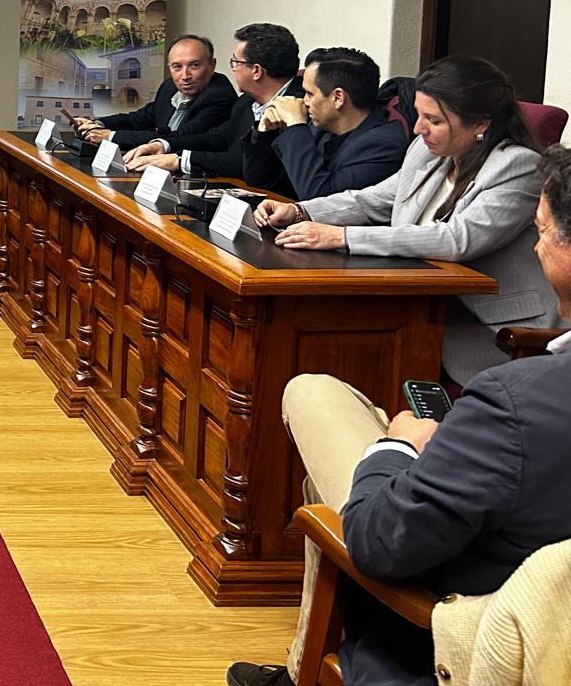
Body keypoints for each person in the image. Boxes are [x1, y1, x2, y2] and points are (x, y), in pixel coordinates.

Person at [226, 145, 571, 686]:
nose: (534, 245)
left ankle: (303, 670)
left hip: (470, 624)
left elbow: (379, 542)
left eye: (543, 232)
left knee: (315, 396)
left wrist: (401, 448)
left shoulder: (513, 401)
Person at [255, 55, 554, 384]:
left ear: (481, 124)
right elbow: (374, 200)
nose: (417, 128)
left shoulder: (518, 166)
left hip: (493, 331)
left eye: (434, 120)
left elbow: (457, 239)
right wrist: (302, 211)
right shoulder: (427, 151)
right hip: (420, 309)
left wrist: (341, 236)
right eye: (420, 115)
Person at [124, 22, 302, 196]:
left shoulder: (300, 107)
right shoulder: (245, 102)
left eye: (235, 62)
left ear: (256, 71)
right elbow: (217, 138)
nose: (233, 69)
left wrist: (178, 161)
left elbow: (241, 162)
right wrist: (164, 145)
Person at [252, 46, 409, 198]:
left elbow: (318, 197)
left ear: (338, 98)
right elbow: (261, 182)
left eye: (309, 94)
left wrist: (295, 126)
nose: (304, 101)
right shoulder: (320, 127)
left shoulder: (384, 145)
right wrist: (265, 132)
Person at [71, 34, 235, 151]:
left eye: (194, 65)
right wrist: (97, 124)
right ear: (170, 67)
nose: (185, 76)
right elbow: (137, 119)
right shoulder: (169, 87)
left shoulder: (219, 96)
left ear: (211, 65)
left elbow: (177, 138)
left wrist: (111, 137)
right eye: (177, 67)